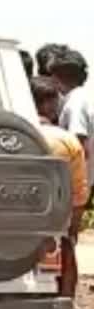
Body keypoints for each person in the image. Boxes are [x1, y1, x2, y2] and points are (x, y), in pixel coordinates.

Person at [32, 76, 86, 304]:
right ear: (49, 104)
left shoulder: (8, 135)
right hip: (52, 220)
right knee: (65, 250)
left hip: (6, 219)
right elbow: (78, 194)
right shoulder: (66, 141)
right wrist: (73, 228)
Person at [51, 47, 93, 205]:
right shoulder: (87, 96)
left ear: (56, 78)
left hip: (80, 182)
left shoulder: (75, 103)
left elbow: (79, 144)